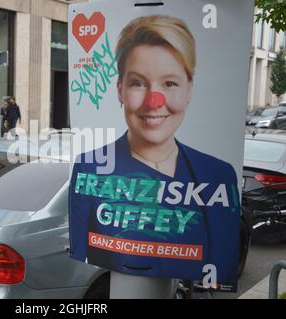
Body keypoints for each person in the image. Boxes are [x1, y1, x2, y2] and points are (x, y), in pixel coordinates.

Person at [69, 15, 240, 288]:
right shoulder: (90, 167)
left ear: (189, 90)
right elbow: (82, 250)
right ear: (120, 90)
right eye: (138, 83)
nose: (153, 101)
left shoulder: (218, 175)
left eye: (169, 84)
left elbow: (221, 262)